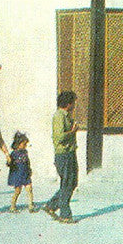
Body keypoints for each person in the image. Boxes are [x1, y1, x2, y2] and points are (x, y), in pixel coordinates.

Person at [41, 91, 78, 223]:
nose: (74, 105)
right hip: (63, 154)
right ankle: (65, 214)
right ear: (68, 103)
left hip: (70, 152)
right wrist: (72, 132)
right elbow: (59, 137)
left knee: (72, 182)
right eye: (73, 102)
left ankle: (51, 205)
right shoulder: (59, 116)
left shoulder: (67, 116)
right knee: (67, 182)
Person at [6, 132, 34, 213]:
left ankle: (31, 204)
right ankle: (12, 205)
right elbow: (9, 164)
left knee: (29, 189)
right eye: (24, 144)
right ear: (18, 144)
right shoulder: (14, 154)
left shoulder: (25, 152)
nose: (25, 146)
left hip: (25, 174)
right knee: (17, 191)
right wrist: (9, 162)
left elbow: (27, 162)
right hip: (17, 174)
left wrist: (29, 169)